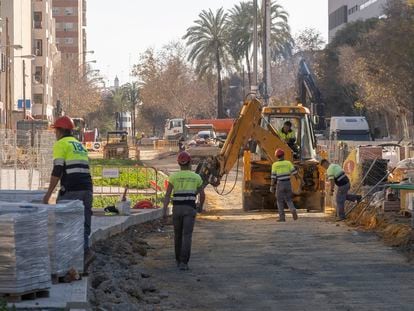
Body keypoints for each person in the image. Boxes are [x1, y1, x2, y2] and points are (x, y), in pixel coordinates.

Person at [42, 116, 94, 266]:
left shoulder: (61, 144)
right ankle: (84, 255)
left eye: (55, 130)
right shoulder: (79, 145)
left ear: (60, 130)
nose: (54, 134)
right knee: (83, 223)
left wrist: (48, 194)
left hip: (72, 189)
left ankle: (71, 260)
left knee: (64, 224)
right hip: (87, 189)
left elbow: (57, 170)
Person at [163, 151, 205, 271]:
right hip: (189, 209)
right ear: (190, 162)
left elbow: (167, 195)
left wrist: (164, 211)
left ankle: (177, 260)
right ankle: (184, 263)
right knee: (187, 235)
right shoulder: (196, 177)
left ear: (178, 163)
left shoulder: (173, 177)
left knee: (177, 235)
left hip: (177, 209)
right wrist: (200, 207)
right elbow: (202, 195)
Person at [270, 149, 299, 222]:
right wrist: (300, 180)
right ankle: (293, 210)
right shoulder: (288, 163)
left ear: (276, 156)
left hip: (280, 184)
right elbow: (295, 173)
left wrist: (272, 186)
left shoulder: (275, 165)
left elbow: (273, 177)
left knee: (279, 201)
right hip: (288, 183)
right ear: (283, 155)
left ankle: (282, 218)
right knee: (289, 199)